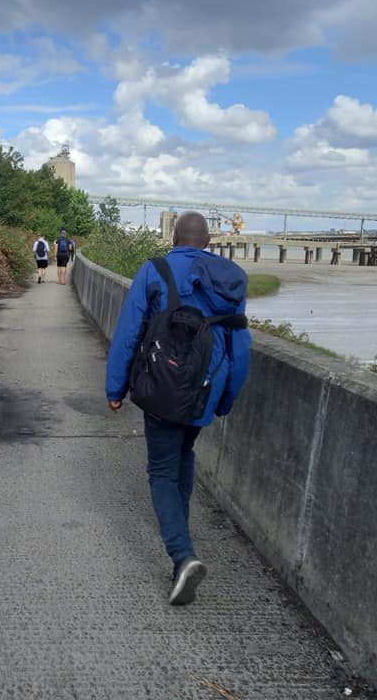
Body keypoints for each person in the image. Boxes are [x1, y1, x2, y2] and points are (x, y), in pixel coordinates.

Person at [105, 212, 250, 605]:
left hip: (163, 386)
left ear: (173, 237)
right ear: (207, 240)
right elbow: (241, 344)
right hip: (208, 387)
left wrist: (115, 387)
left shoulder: (155, 271)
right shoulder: (231, 277)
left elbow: (129, 331)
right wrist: (227, 396)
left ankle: (182, 555)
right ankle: (181, 539)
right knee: (184, 453)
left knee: (162, 470)